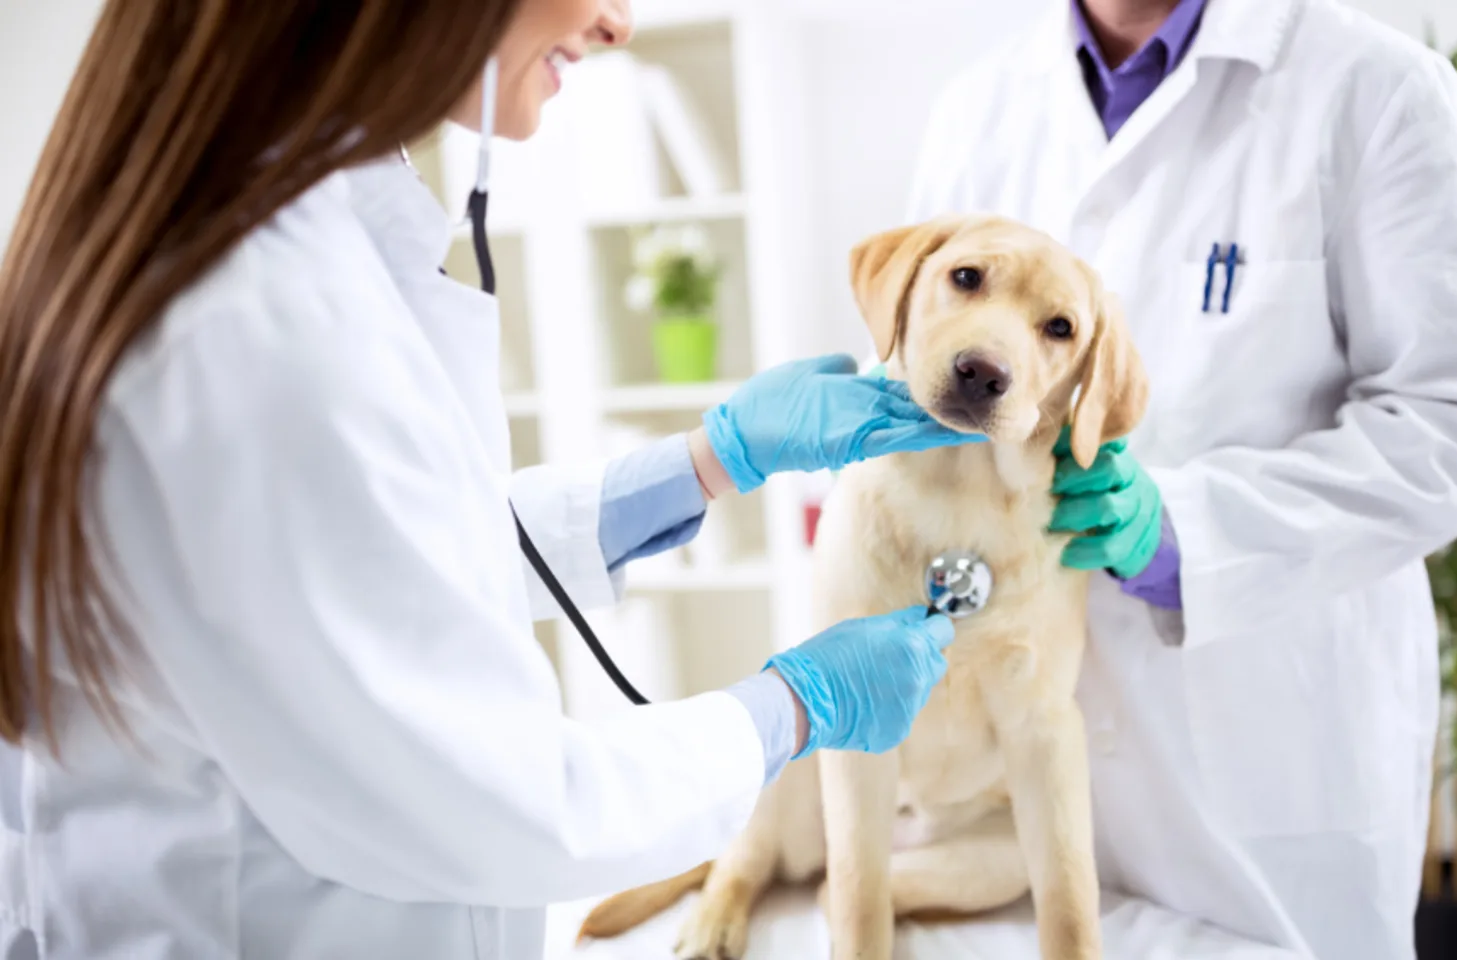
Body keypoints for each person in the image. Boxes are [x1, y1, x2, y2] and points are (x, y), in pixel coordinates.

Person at [0, 2, 985, 958]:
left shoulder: (305, 235)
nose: (617, 22)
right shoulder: (250, 330)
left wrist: (705, 464)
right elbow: (507, 802)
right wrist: (797, 704)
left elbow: (376, 563)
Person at [905, 0, 1457, 958]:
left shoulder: (1375, 89)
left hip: (1263, 776)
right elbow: (930, 380)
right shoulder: (977, 108)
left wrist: (1185, 536)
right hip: (1014, 778)